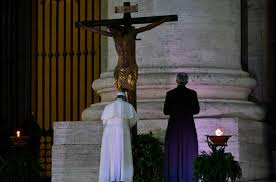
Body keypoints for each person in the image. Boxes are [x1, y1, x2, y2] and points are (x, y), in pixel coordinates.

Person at [81, 16, 172, 106]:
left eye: (112, 30)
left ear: (118, 28)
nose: (111, 32)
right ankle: (122, 114)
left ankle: (132, 115)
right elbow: (98, 31)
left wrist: (162, 20)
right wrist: (85, 27)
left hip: (130, 68)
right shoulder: (115, 36)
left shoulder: (132, 33)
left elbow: (147, 27)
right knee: (121, 95)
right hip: (120, 68)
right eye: (110, 31)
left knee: (131, 94)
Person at [163, 72, 200, 182]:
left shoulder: (170, 93)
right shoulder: (192, 93)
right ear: (187, 81)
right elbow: (196, 110)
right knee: (188, 151)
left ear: (176, 81)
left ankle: (173, 178)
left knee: (173, 152)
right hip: (188, 125)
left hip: (174, 125)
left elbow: (166, 111)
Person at [99, 91, 138, 182]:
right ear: (124, 98)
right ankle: (122, 176)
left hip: (109, 133)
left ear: (116, 97)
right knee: (122, 153)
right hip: (122, 131)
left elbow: (104, 122)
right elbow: (133, 120)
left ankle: (109, 177)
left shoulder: (108, 106)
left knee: (109, 154)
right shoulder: (128, 106)